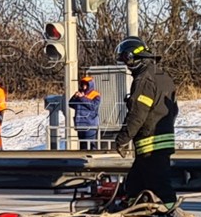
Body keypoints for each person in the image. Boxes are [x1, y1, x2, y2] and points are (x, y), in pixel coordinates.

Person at [112, 38, 178, 204]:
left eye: (126, 60)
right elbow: (174, 110)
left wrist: (122, 139)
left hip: (150, 145)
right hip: (161, 142)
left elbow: (137, 114)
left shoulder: (144, 80)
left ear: (133, 58)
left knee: (161, 189)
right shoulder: (163, 76)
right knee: (134, 187)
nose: (126, 65)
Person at [69, 75, 102, 149]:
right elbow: (71, 104)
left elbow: (93, 106)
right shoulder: (80, 94)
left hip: (90, 123)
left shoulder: (95, 95)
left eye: (86, 84)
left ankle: (92, 158)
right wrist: (75, 97)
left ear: (89, 85)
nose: (84, 86)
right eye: (82, 84)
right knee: (83, 145)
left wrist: (82, 98)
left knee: (90, 145)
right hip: (80, 123)